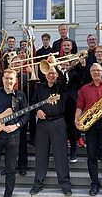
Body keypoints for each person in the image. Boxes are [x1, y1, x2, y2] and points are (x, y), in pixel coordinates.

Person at [0, 69, 30, 197]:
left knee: (11, 170)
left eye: (11, 79)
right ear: (3, 79)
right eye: (6, 78)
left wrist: (16, 125)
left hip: (13, 137)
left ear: (15, 80)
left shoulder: (20, 96)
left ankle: (8, 195)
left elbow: (26, 115)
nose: (9, 81)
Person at [75, 63, 102, 197]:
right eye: (93, 70)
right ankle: (94, 184)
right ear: (90, 73)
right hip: (90, 124)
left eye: (98, 70)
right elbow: (79, 106)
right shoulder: (84, 89)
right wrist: (76, 120)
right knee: (91, 156)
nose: (96, 73)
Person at [30, 65, 72, 196]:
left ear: (57, 75)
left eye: (53, 73)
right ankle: (38, 183)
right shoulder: (39, 88)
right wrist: (38, 110)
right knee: (41, 155)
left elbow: (66, 79)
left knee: (61, 154)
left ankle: (65, 184)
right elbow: (33, 102)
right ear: (45, 74)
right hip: (42, 124)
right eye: (49, 73)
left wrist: (57, 65)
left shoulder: (61, 86)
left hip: (58, 123)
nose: (51, 75)